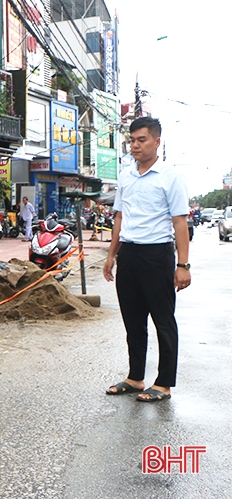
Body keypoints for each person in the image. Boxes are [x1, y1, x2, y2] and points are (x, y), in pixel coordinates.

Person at [103, 117, 190, 402]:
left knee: (163, 320)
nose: (135, 145)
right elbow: (119, 217)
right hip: (129, 253)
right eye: (132, 140)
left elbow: (179, 223)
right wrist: (111, 255)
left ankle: (163, 383)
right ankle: (135, 377)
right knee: (133, 320)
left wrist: (182, 265)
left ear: (156, 141)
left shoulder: (169, 177)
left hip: (157, 254)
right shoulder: (126, 174)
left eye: (141, 140)